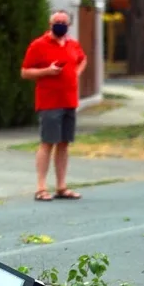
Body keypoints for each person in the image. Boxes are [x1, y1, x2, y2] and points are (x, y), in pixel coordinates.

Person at [20, 10, 88, 202]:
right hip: (49, 101)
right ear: (50, 24)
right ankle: (41, 188)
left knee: (64, 143)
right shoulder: (38, 45)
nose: (60, 24)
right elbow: (25, 72)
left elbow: (83, 59)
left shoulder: (73, 44)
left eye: (64, 22)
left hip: (69, 100)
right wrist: (47, 71)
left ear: (69, 25)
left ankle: (61, 186)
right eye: (57, 21)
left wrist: (76, 73)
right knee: (47, 142)